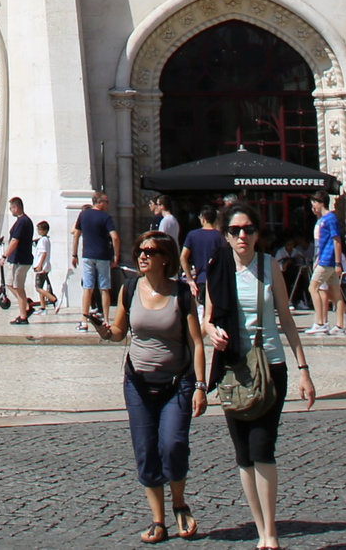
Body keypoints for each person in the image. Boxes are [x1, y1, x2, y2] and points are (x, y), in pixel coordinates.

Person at [208, 203, 316, 550]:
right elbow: (208, 317)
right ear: (225, 235)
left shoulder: (270, 266)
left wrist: (304, 370)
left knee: (262, 447)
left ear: (258, 234)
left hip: (271, 367)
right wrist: (212, 332)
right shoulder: (217, 268)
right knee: (243, 453)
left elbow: (285, 318)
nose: (243, 236)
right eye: (236, 230)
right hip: (234, 368)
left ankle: (271, 532)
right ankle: (259, 529)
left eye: (249, 229)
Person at [102, 229, 211, 543]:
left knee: (173, 444)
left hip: (177, 383)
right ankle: (158, 520)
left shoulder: (182, 294)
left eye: (150, 251)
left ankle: (179, 503)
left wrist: (201, 386)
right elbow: (119, 332)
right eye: (140, 250)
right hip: (137, 383)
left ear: (166, 259)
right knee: (146, 450)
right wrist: (104, 330)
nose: (142, 256)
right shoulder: (130, 289)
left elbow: (196, 342)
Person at [74, 190, 120, 331]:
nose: (108, 204)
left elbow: (76, 235)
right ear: (99, 202)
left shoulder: (83, 214)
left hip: (87, 255)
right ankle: (106, 320)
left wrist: (74, 255)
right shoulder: (105, 217)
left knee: (87, 288)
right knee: (104, 288)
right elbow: (115, 237)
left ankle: (84, 321)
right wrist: (116, 256)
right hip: (103, 256)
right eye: (106, 202)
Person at [304, 195, 342, 334]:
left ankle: (320, 322)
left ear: (321, 203)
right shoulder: (322, 220)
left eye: (314, 202)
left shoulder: (330, 219)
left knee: (313, 287)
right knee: (335, 292)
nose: (313, 206)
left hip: (327, 260)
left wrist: (338, 262)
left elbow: (336, 240)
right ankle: (340, 325)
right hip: (325, 259)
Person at [0, 196, 36, 323]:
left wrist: (4, 256)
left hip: (21, 259)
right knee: (10, 284)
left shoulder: (23, 221)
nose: (11, 211)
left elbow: (15, 240)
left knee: (19, 287)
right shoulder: (21, 221)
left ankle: (23, 316)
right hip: (15, 259)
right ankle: (25, 305)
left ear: (16, 208)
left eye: (11, 208)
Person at [181, 206, 224, 299]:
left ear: (203, 219)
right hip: (218, 280)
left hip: (200, 279)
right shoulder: (220, 236)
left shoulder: (192, 235)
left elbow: (183, 257)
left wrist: (189, 279)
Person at [31, 220, 57, 315]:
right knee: (41, 287)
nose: (38, 231)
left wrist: (40, 265)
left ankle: (54, 300)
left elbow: (43, 253)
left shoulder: (43, 240)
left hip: (41, 267)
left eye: (40, 229)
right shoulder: (45, 240)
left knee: (38, 288)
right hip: (43, 267)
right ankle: (43, 308)